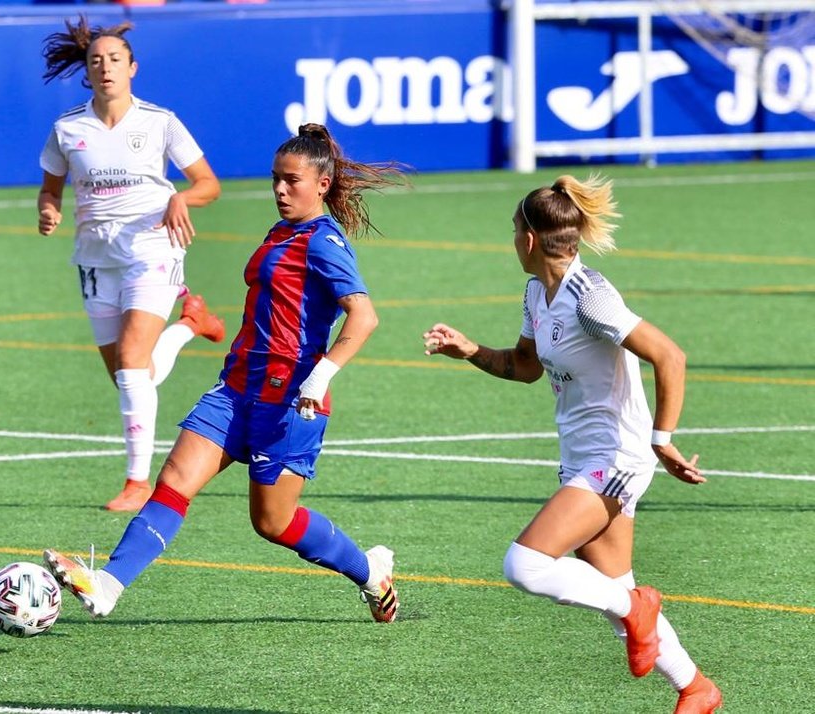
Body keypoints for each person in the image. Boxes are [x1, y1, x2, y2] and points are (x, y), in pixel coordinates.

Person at [43, 124, 406, 623]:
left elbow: (363, 316)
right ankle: (107, 584)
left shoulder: (324, 242)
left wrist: (320, 378)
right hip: (236, 389)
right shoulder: (280, 231)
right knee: (172, 483)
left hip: (289, 401)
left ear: (322, 184)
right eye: (275, 179)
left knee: (273, 523)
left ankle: (369, 572)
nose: (280, 190)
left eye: (291, 181)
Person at [423, 175, 722, 713]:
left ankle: (639, 607)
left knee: (526, 565)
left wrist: (662, 439)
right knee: (613, 593)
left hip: (616, 457)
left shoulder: (591, 298)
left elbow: (669, 355)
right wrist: (468, 350)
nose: (512, 240)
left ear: (531, 240)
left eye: (514, 231)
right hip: (582, 458)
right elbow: (524, 366)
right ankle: (696, 688)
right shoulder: (538, 292)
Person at [38, 17, 225, 512]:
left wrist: (183, 199)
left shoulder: (160, 121)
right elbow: (50, 187)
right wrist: (49, 208)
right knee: (129, 373)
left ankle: (138, 483)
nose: (105, 68)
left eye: (115, 59)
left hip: (153, 249)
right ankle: (191, 325)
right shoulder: (67, 128)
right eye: (96, 60)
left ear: (132, 68)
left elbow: (209, 183)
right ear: (87, 69)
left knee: (130, 367)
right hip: (96, 259)